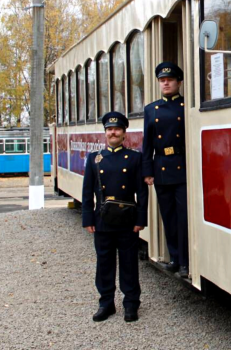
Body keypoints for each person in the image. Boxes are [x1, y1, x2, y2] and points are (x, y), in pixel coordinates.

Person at [82, 111, 148, 322]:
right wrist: (88, 219)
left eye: (117, 129)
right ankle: (106, 303)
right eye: (110, 129)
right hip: (102, 219)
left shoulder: (135, 158)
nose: (113, 132)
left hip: (127, 220)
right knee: (104, 263)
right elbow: (87, 192)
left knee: (129, 263)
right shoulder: (95, 159)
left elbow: (142, 192)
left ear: (124, 133)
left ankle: (131, 303)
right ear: (105, 133)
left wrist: (140, 219)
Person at [142, 62, 189, 278]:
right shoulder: (151, 110)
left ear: (179, 82)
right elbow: (147, 145)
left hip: (182, 165)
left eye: (170, 80)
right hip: (161, 167)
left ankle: (187, 260)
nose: (166, 83)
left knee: (183, 216)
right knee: (168, 216)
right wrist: (148, 171)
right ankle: (175, 257)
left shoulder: (187, 106)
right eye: (162, 80)